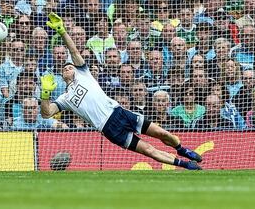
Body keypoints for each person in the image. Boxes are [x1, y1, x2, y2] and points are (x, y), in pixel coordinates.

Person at [39, 12, 203, 170]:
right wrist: (45, 95)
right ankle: (185, 165)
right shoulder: (64, 98)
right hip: (108, 128)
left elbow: (74, 51)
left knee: (162, 133)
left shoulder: (83, 74)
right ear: (62, 74)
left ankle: (181, 149)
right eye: (65, 68)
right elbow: (47, 113)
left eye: (70, 66)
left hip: (119, 112)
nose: (68, 68)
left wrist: (62, 31)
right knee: (148, 150)